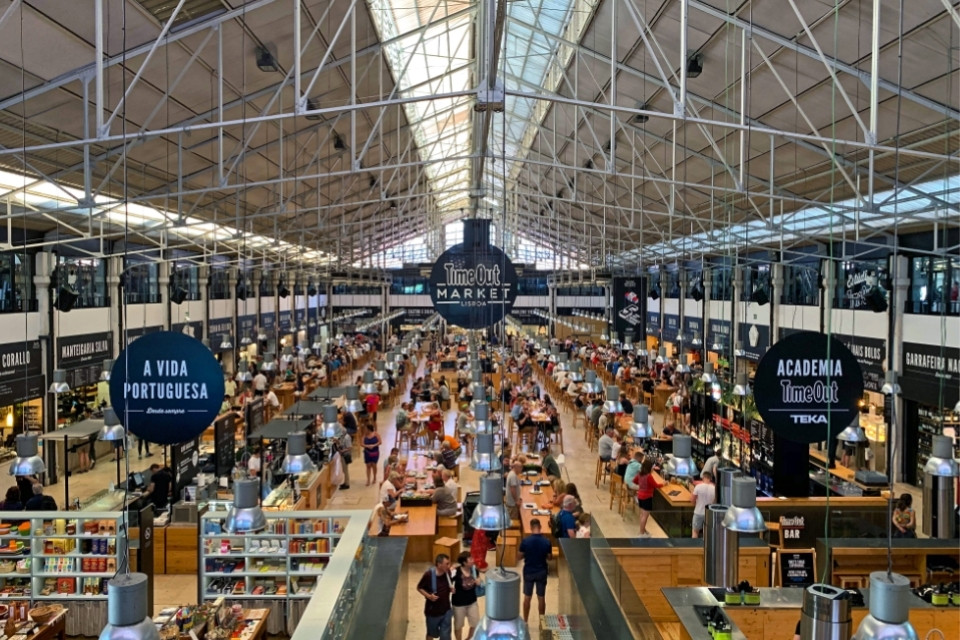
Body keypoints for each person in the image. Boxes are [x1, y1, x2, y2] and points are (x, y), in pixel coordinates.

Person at [518, 518, 552, 622]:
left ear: (531, 528)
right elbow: (550, 557)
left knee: (527, 597)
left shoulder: (525, 541)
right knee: (541, 597)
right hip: (542, 571)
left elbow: (519, 557)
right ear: (540, 527)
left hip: (529, 571)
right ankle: (542, 622)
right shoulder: (546, 541)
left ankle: (525, 621)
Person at [417, 554, 454, 640]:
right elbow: (419, 587)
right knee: (431, 634)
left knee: (446, 635)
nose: (449, 566)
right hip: (433, 612)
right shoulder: (428, 575)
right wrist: (429, 596)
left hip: (446, 610)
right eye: (447, 564)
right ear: (439, 564)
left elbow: (448, 586)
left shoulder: (447, 573)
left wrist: (451, 589)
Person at [451, 551, 480, 640]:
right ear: (464, 562)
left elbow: (478, 578)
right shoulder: (456, 571)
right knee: (458, 625)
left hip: (472, 601)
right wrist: (450, 588)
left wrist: (479, 580)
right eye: (470, 559)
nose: (473, 560)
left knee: (475, 623)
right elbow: (448, 581)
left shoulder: (474, 570)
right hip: (459, 603)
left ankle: (468, 638)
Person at [635, 459, 662, 538]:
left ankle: (643, 530)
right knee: (645, 516)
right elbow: (656, 485)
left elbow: (635, 481)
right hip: (647, 497)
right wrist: (663, 483)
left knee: (642, 515)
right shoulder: (649, 476)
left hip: (640, 496)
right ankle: (641, 533)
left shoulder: (640, 474)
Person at [690, 471, 716, 538]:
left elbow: (692, 500)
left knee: (695, 531)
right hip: (708, 514)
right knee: (707, 533)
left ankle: (695, 547)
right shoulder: (714, 489)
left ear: (703, 478)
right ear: (710, 478)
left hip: (698, 512)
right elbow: (714, 502)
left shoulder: (698, 487)